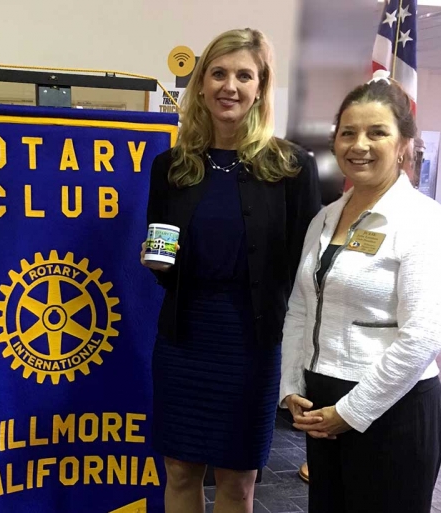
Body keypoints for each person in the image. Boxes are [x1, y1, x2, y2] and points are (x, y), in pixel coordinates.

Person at [140, 28, 321, 513]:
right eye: (218, 73)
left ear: (261, 87)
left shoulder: (291, 167)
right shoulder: (172, 166)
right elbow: (163, 253)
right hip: (183, 339)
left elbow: (308, 272)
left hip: (252, 344)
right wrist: (156, 262)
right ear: (200, 84)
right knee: (179, 470)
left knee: (238, 480)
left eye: (244, 75)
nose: (230, 86)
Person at [280, 71, 441, 513]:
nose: (359, 145)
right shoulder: (325, 218)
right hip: (323, 400)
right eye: (348, 132)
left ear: (404, 143)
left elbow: (423, 336)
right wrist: (292, 383)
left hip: (393, 407)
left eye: (377, 132)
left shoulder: (424, 222)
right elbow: (300, 308)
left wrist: (350, 413)